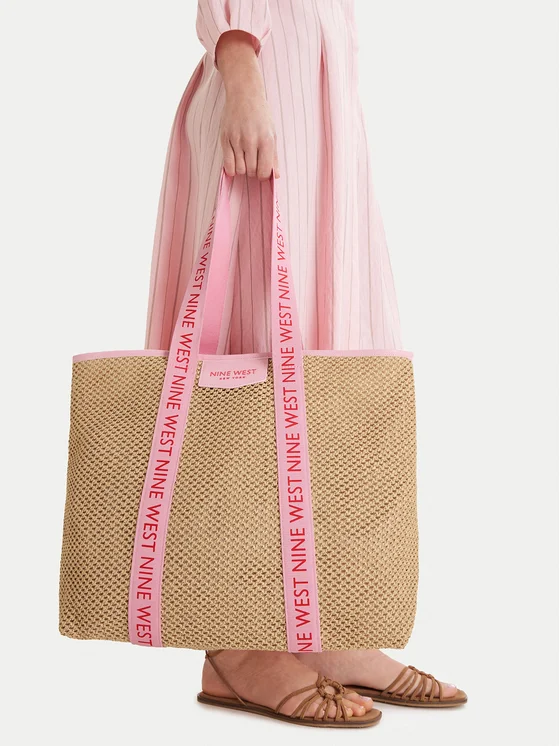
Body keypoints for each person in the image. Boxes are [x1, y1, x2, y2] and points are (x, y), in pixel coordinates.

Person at [144, 0, 466, 727]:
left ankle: (321, 627)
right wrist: (238, 58)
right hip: (267, 72)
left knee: (327, 360)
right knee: (246, 362)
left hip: (324, 92)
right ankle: (238, 641)